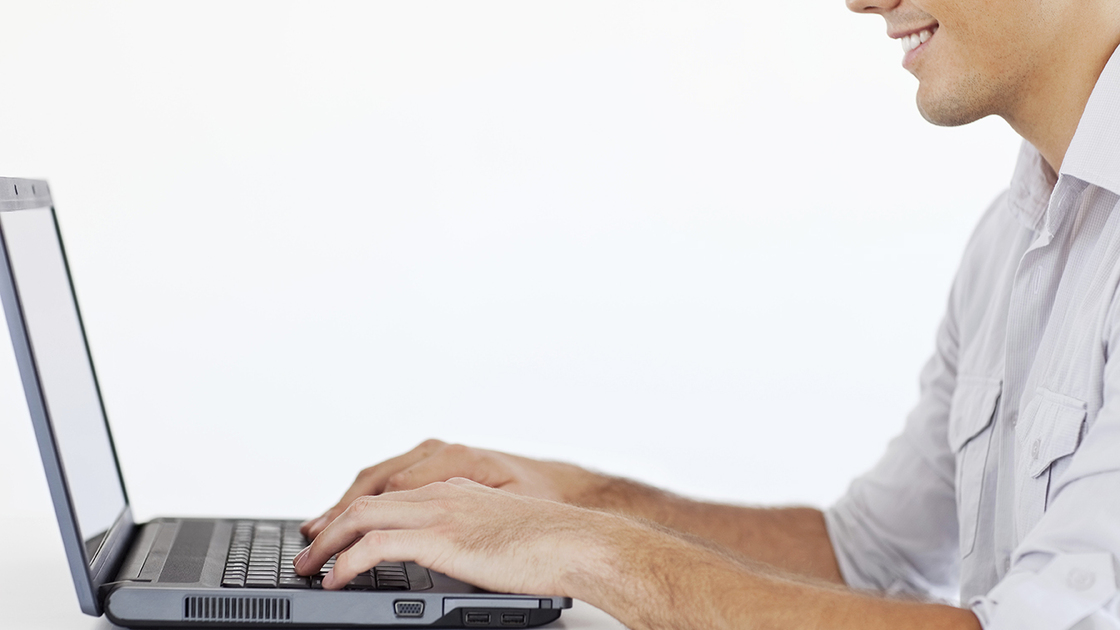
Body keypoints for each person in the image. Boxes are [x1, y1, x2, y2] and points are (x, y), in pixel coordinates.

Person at [293, 0, 1120, 625]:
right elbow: (873, 555)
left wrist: (586, 552)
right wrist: (577, 500)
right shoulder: (1016, 239)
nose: (862, 0)